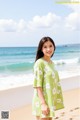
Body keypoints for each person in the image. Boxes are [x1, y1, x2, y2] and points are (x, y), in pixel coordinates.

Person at [32, 36, 64, 120]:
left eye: (50, 46)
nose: (48, 49)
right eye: (45, 47)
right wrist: (43, 104)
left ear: (54, 47)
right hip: (42, 102)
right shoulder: (40, 63)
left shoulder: (51, 63)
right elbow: (37, 85)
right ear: (41, 49)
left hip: (49, 101)